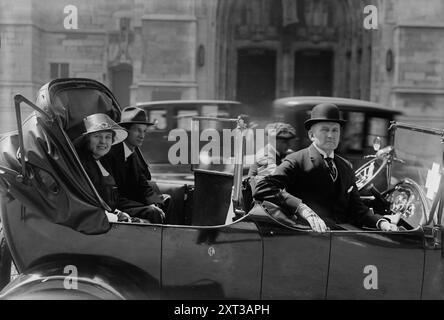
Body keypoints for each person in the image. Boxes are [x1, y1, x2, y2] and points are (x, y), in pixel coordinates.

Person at [253, 103, 398, 233]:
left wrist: (382, 223)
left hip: (341, 237)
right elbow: (263, 188)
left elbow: (357, 209)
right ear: (311, 135)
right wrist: (301, 208)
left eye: (335, 130)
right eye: (324, 130)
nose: (330, 135)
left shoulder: (345, 166)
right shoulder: (296, 160)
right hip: (306, 236)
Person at [74, 113, 162, 223]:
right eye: (97, 136)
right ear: (87, 140)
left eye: (108, 137)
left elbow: (115, 197)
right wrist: (116, 215)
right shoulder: (82, 165)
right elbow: (86, 202)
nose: (103, 142)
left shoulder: (101, 161)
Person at [103, 106, 167, 221]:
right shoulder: (110, 154)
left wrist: (155, 203)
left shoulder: (133, 153)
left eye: (144, 131)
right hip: (115, 205)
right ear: (125, 131)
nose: (142, 135)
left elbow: (143, 184)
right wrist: (147, 207)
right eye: (138, 130)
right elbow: (112, 196)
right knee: (153, 212)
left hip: (129, 201)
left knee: (165, 201)